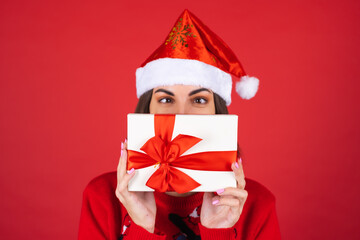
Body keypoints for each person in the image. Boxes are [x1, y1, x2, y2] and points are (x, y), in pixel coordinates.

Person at [78, 9, 281, 240]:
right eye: (166, 99)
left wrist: (218, 231)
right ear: (147, 110)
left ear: (218, 113)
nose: (181, 114)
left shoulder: (258, 206)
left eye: (199, 100)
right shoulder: (101, 199)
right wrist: (142, 228)